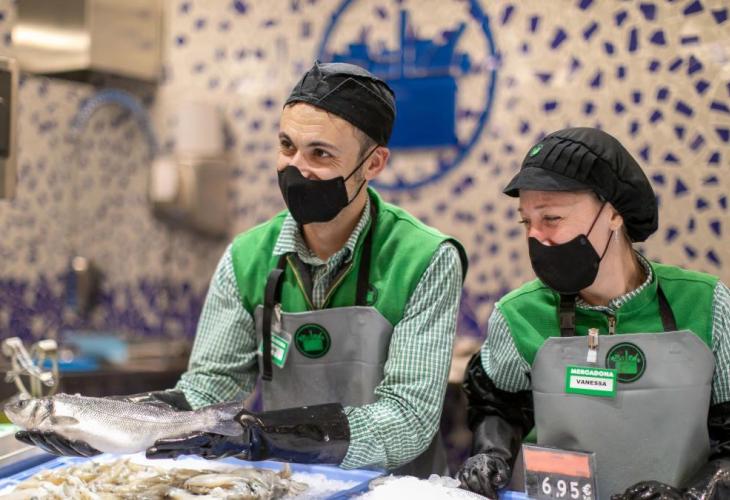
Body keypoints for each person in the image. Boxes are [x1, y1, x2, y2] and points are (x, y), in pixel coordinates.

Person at [17, 61, 467, 477]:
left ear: (373, 163)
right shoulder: (247, 257)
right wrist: (99, 423)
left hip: (398, 488)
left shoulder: (425, 258)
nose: (297, 168)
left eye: (321, 154)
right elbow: (209, 391)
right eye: (287, 146)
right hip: (295, 483)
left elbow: (407, 420)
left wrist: (263, 434)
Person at [456, 127, 730, 499]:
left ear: (614, 214)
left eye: (552, 218)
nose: (534, 236)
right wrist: (491, 453)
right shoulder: (519, 314)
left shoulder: (706, 303)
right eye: (526, 222)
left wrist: (694, 495)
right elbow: (498, 406)